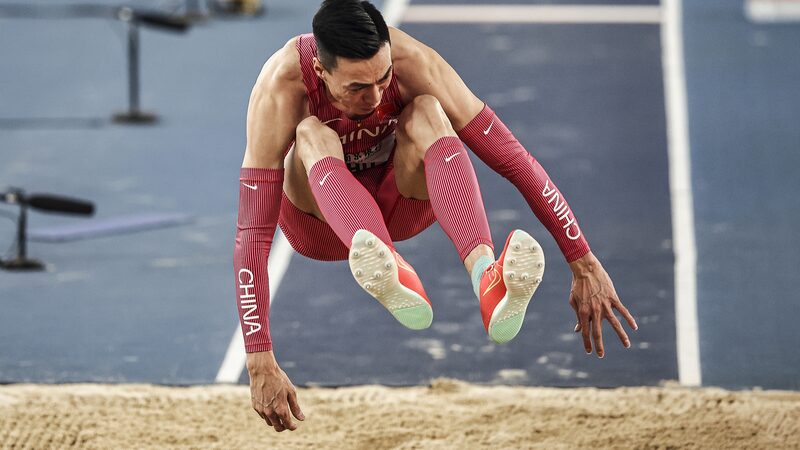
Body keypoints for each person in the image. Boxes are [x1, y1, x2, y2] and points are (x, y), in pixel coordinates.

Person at [233, 0, 638, 433]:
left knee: (428, 109)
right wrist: (259, 361)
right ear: (320, 69)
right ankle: (383, 261)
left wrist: (583, 260)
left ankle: (486, 275)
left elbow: (511, 158)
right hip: (321, 227)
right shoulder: (281, 86)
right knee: (312, 133)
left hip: (405, 204)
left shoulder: (413, 61)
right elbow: (253, 233)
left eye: (383, 77)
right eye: (356, 88)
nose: (373, 97)